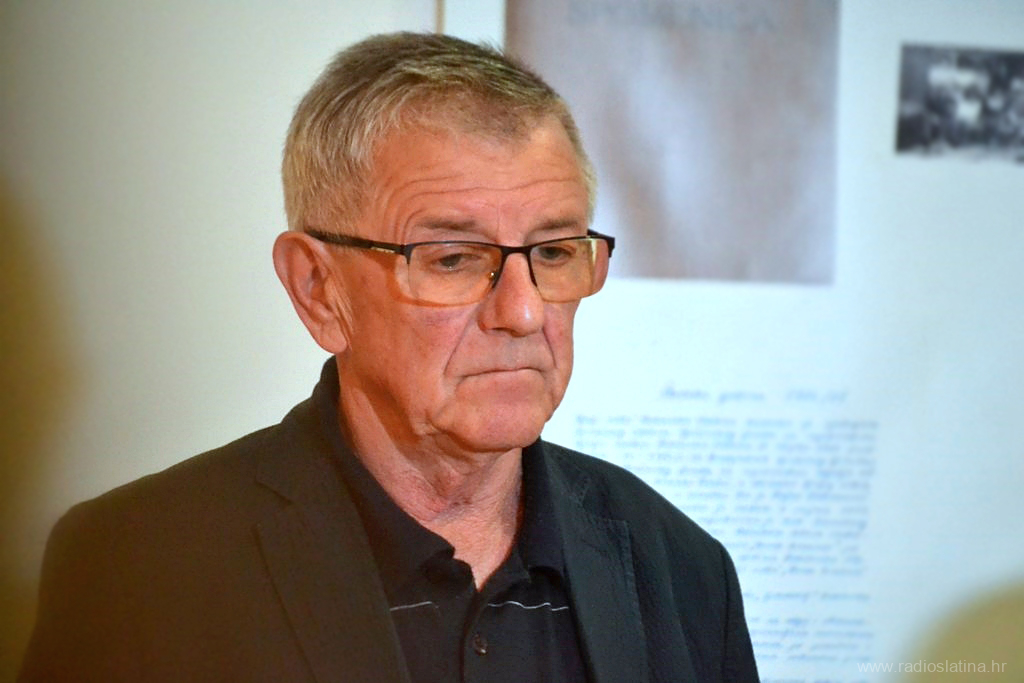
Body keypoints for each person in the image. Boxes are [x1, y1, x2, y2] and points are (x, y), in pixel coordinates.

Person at [19, 32, 759, 682]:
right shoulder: (138, 571)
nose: (524, 311)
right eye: (454, 258)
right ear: (319, 290)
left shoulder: (683, 570)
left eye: (555, 253)